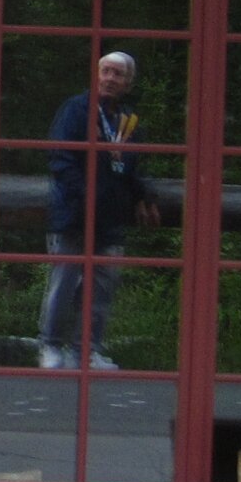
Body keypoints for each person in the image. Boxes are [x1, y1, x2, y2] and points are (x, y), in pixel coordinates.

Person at [40, 50, 160, 371]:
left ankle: (86, 351)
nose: (110, 78)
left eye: (118, 74)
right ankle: (50, 347)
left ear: (128, 83)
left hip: (111, 219)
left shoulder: (128, 121)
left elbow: (131, 168)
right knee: (64, 284)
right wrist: (86, 194)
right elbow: (60, 158)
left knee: (101, 290)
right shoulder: (76, 110)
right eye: (105, 71)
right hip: (75, 215)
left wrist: (144, 195)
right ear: (95, 75)